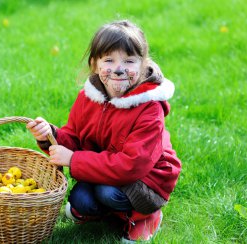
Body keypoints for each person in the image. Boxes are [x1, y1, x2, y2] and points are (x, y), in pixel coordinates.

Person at [26, 20, 181, 242]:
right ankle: (112, 212)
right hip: (106, 168)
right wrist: (50, 135)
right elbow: (75, 138)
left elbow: (131, 166)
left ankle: (145, 215)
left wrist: (74, 159)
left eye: (129, 61)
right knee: (80, 200)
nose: (118, 69)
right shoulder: (88, 98)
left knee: (106, 193)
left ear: (142, 64)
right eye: (109, 60)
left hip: (146, 180)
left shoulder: (149, 108)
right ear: (95, 64)